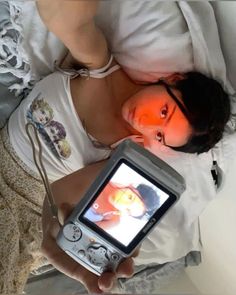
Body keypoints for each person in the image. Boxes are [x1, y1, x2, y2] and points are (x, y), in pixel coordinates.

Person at [0, 0, 231, 294]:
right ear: (173, 80)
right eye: (163, 112)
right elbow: (63, 15)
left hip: (26, 202)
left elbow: (58, 195)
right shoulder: (100, 68)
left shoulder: (123, 155)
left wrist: (57, 223)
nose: (145, 124)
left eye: (159, 136)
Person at [84, 182, 159, 229]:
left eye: (128, 211)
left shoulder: (113, 220)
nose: (123, 205)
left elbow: (85, 229)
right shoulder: (108, 180)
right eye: (130, 198)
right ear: (130, 186)